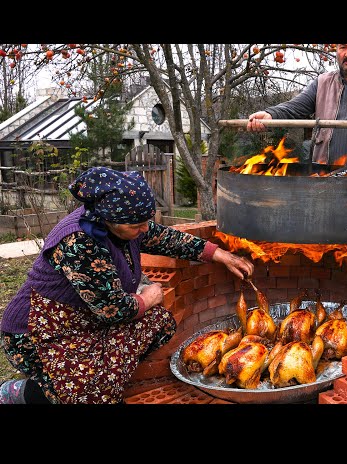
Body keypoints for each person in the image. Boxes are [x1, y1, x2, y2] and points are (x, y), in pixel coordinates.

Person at [0, 166, 254, 404]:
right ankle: (22, 392)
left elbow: (166, 238)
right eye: (136, 226)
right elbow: (113, 310)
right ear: (108, 219)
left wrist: (220, 254)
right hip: (40, 331)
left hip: (88, 321)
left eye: (146, 221)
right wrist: (149, 297)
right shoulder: (79, 242)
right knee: (89, 395)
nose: (144, 229)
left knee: (159, 323)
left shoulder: (124, 223)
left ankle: (100, 374)